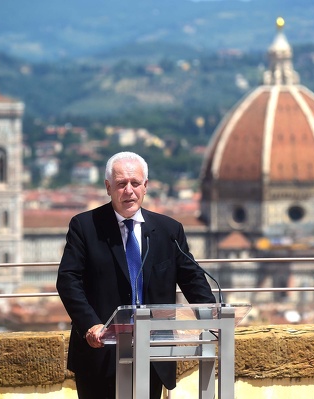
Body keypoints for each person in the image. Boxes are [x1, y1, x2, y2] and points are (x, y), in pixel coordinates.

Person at [57, 151, 216, 399]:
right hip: (100, 351)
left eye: (135, 183)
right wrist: (90, 324)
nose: (128, 191)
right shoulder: (85, 226)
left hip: (153, 353)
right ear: (108, 187)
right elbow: (68, 280)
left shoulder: (168, 230)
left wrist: (213, 316)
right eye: (121, 184)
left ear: (146, 186)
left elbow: (191, 277)